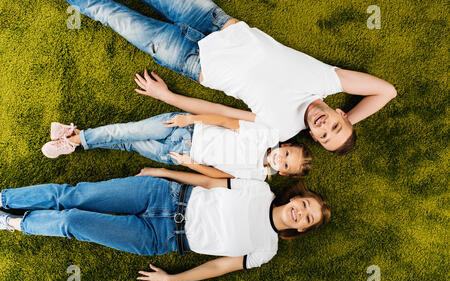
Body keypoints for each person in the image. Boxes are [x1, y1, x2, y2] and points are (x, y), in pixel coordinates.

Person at [63, 0, 397, 155]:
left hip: (190, 61)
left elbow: (223, 114)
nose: (324, 127)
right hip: (211, 21)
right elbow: (386, 91)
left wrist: (167, 97)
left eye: (323, 136)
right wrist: (350, 120)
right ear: (340, 114)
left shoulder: (280, 130)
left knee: (109, 14)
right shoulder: (329, 81)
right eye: (335, 126)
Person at [0, 168, 330, 281]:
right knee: (74, 194)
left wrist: (172, 280)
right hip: (164, 193)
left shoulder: (266, 250)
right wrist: (162, 172)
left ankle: (15, 223)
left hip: (161, 238)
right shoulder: (260, 190)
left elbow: (218, 265)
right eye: (304, 205)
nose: (301, 213)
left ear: (302, 229)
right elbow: (209, 181)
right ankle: (5, 197)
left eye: (307, 218)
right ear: (294, 198)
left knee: (74, 221)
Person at [41, 100, 312, 180]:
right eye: (288, 154)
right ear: (285, 146)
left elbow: (218, 175)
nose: (282, 160)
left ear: (284, 173)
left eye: (287, 165)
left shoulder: (257, 175)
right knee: (127, 132)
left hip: (183, 155)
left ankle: (72, 135)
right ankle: (76, 139)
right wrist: (190, 120)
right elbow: (223, 121)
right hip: (185, 128)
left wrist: (188, 163)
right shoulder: (264, 135)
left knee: (128, 144)